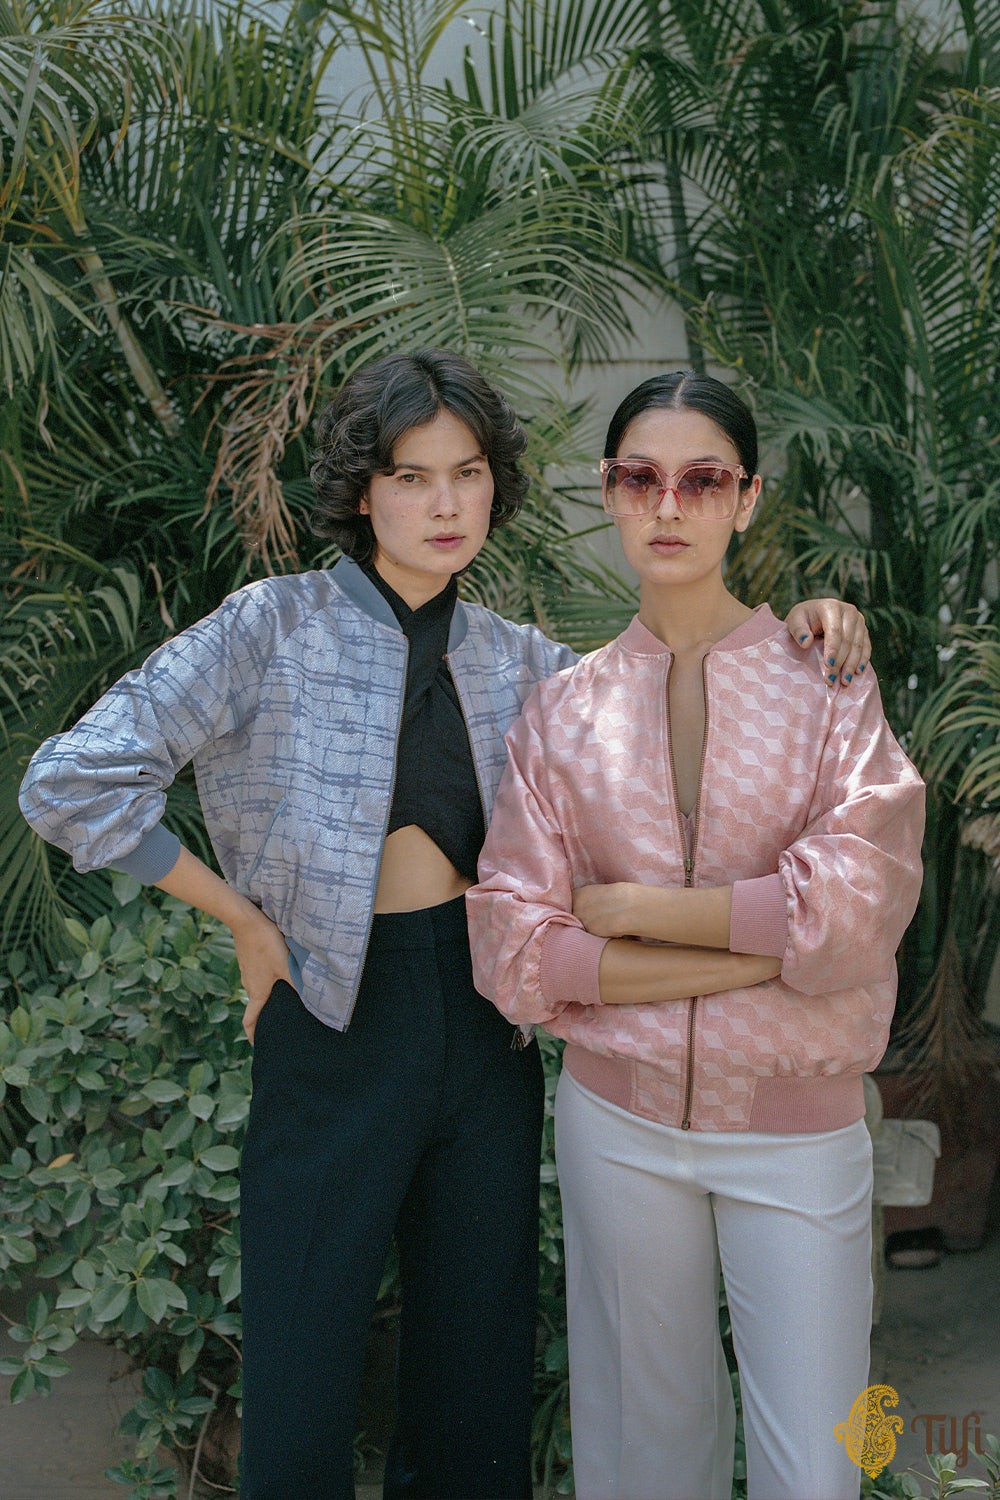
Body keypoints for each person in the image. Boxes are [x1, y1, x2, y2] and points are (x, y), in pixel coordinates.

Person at [19, 350, 871, 1500]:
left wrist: (807, 628)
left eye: (467, 474)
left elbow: (678, 686)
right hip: (330, 1025)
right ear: (362, 489)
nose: (444, 504)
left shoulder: (523, 663)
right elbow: (69, 783)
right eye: (411, 477)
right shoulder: (269, 627)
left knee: (475, 1386)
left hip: (482, 1037)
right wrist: (242, 920)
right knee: (300, 1386)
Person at [466, 371, 925, 1500]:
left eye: (703, 480)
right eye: (640, 478)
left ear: (747, 499)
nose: (668, 505)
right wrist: (769, 952)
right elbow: (516, 944)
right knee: (642, 1462)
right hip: (617, 1128)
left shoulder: (826, 683)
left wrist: (634, 915)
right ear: (609, 493)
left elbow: (862, 896)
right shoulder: (562, 711)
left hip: (799, 1131)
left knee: (817, 1466)